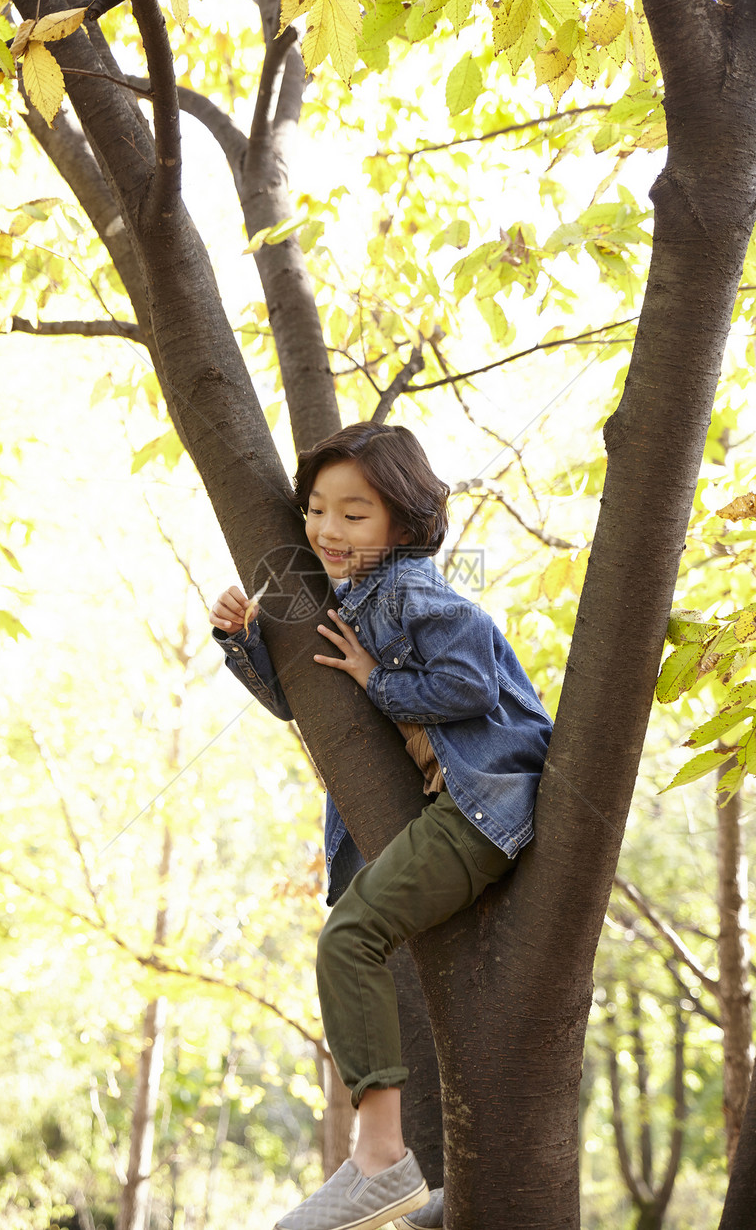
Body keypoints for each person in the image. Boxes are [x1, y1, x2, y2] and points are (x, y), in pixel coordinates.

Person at [209, 422, 553, 1230]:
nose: (328, 530)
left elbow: (470, 684)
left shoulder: (411, 590)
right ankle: (415, 1181)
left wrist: (376, 676)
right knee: (351, 932)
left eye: (354, 515)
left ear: (403, 520)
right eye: (317, 510)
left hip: (483, 806)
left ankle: (380, 1161)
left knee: (351, 936)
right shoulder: (355, 597)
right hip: (449, 810)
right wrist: (242, 642)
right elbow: (313, 707)